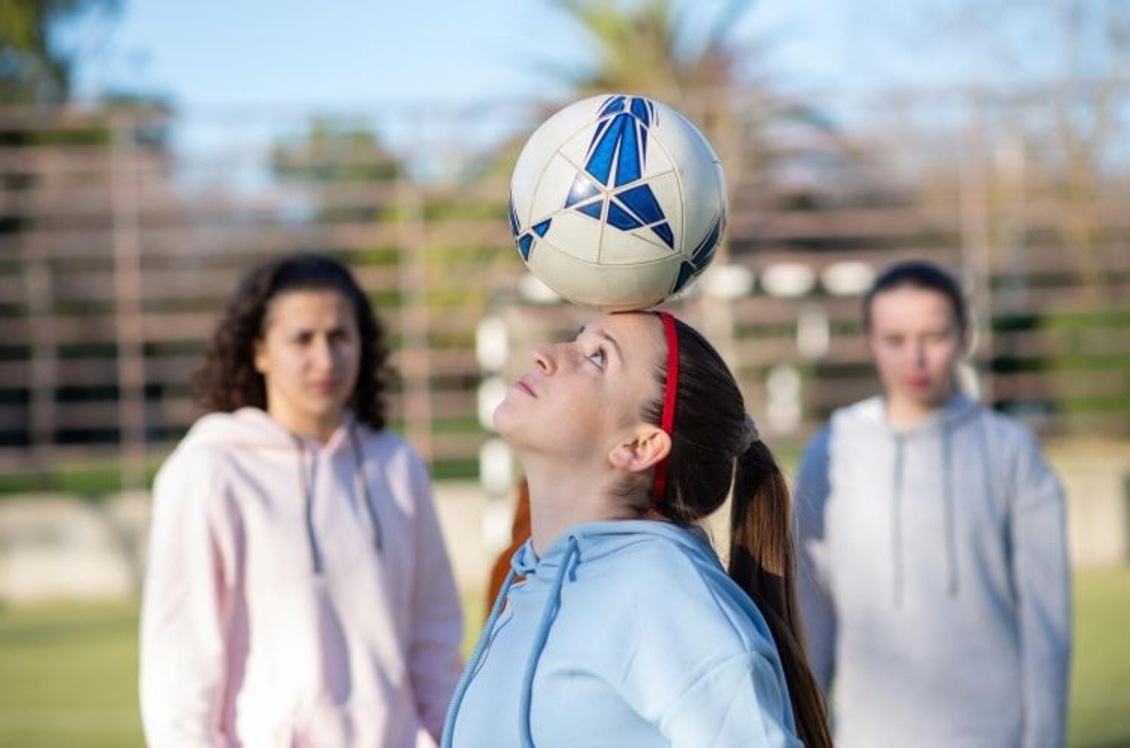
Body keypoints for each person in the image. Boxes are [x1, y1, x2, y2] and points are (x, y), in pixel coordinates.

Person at [443, 310, 832, 748]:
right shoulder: (531, 583)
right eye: (576, 340)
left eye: (597, 358)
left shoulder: (663, 591)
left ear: (639, 446)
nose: (544, 356)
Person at [139, 251, 463, 747]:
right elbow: (181, 667)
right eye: (302, 339)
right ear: (260, 351)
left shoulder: (398, 466)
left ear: (363, 344)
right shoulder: (209, 472)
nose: (325, 360)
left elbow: (434, 642)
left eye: (339, 337)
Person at [794, 259, 1072, 747]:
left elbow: (1046, 625)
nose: (915, 359)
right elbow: (810, 616)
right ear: (869, 340)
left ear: (965, 335)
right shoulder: (833, 448)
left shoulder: (1012, 451)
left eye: (934, 336)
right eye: (895, 340)